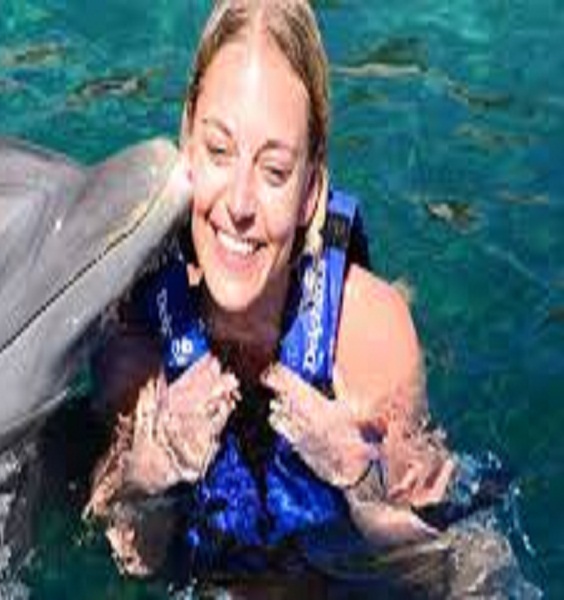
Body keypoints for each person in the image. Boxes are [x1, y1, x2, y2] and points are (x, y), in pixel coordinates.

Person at [83, 0, 457, 583]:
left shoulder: (369, 342)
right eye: (218, 151)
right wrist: (147, 480)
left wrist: (362, 482)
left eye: (275, 171)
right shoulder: (137, 338)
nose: (238, 204)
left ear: (311, 188)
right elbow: (132, 561)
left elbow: (451, 571)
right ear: (186, 143)